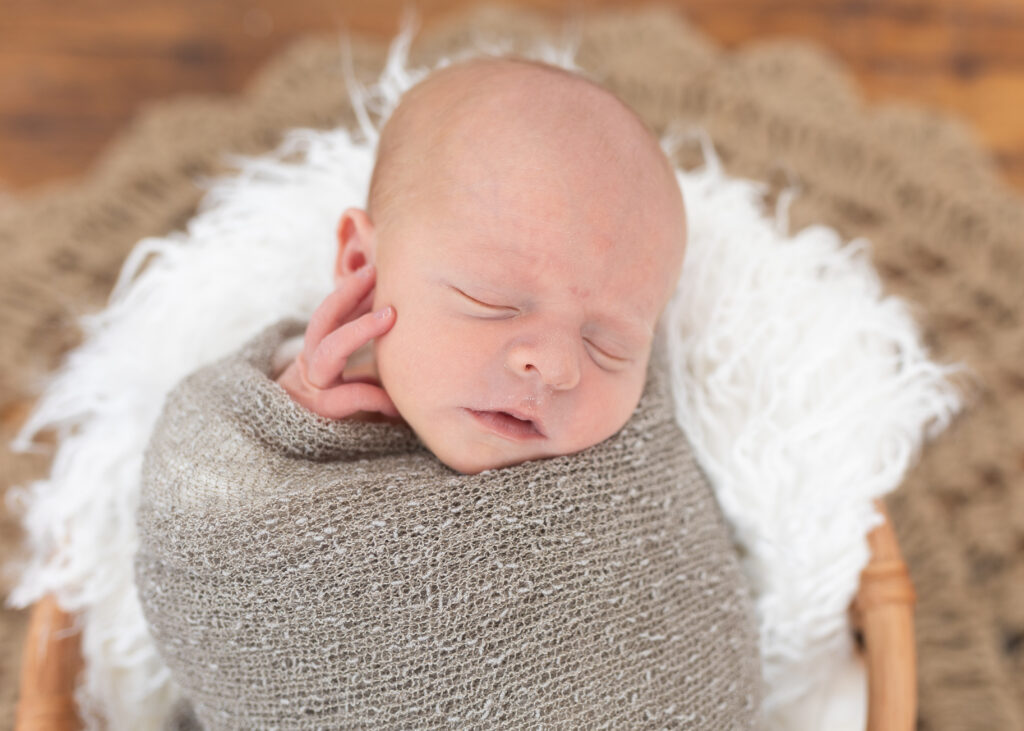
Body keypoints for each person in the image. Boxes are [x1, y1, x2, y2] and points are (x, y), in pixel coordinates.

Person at [273, 55, 686, 474]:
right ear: (361, 260)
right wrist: (286, 425)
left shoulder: (639, 463)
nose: (556, 367)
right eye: (490, 300)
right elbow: (208, 510)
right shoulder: (295, 393)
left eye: (609, 346)